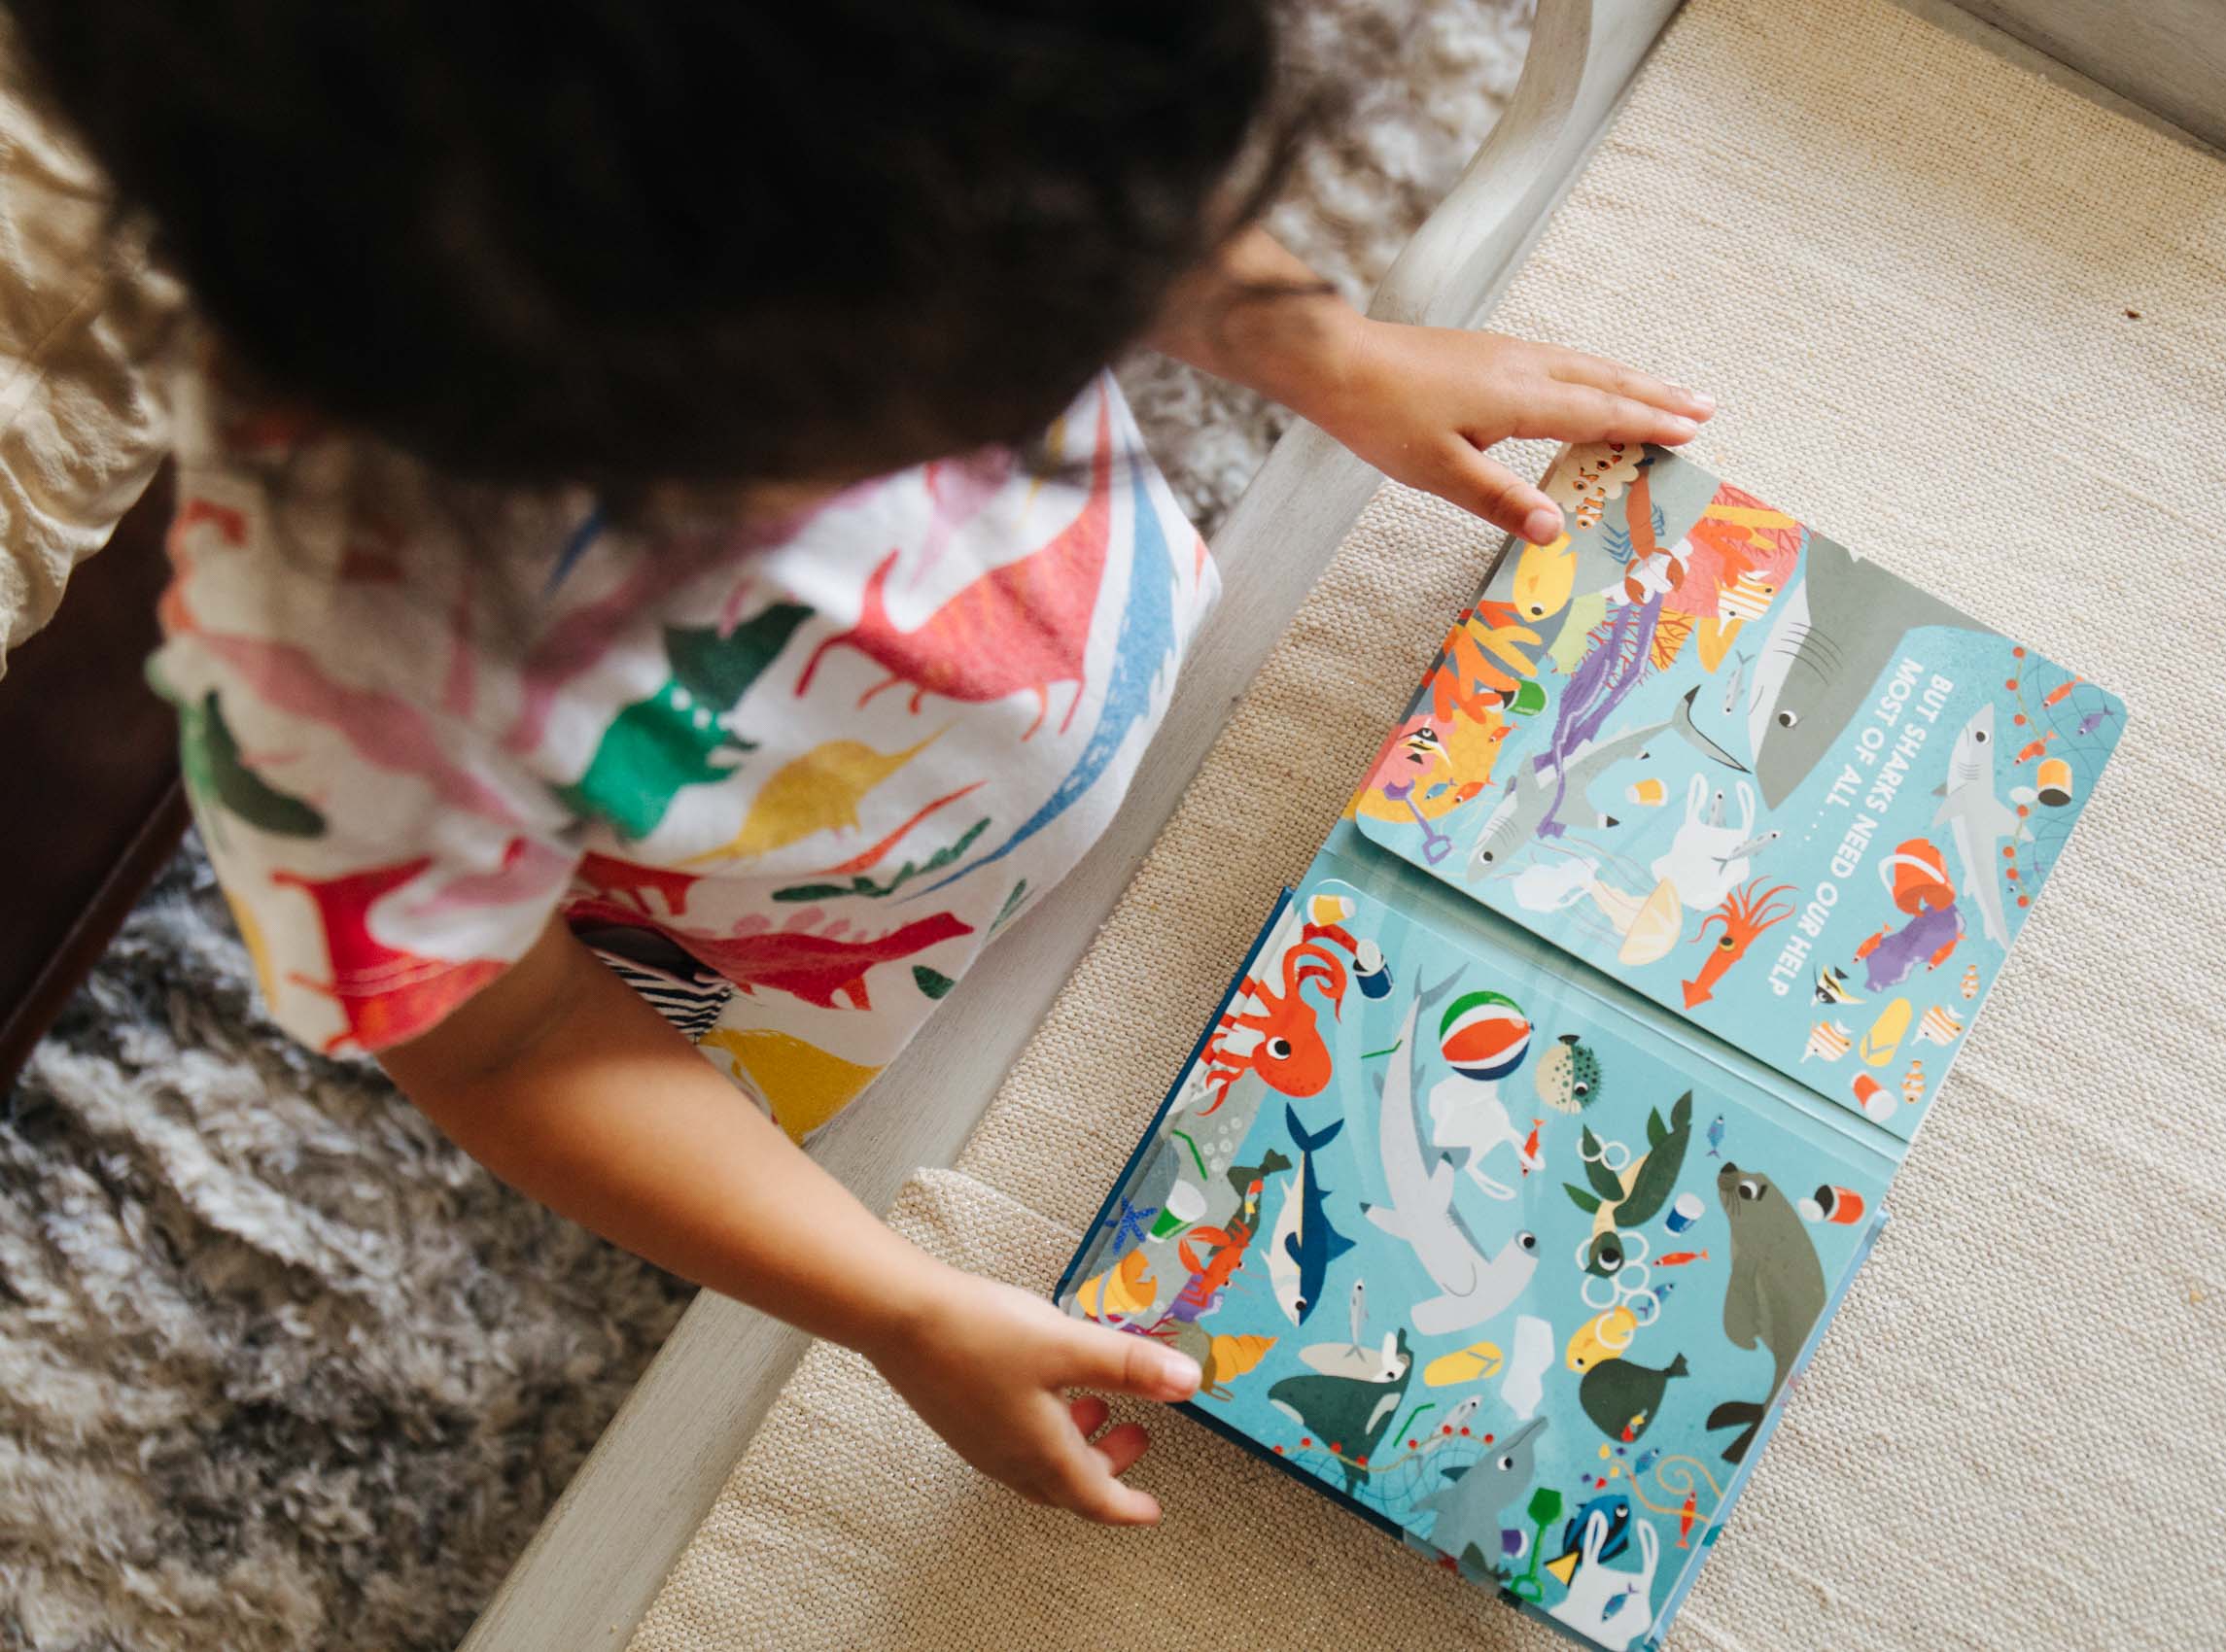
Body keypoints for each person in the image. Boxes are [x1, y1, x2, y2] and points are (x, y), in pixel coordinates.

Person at [14, 0, 1712, 1524]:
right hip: (805, 985)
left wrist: (1321, 347)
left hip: (1076, 680)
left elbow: (1080, 196)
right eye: (960, 375)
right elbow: (509, 1040)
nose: (1033, 391)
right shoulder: (339, 678)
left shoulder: (886, 125)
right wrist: (892, 1302)